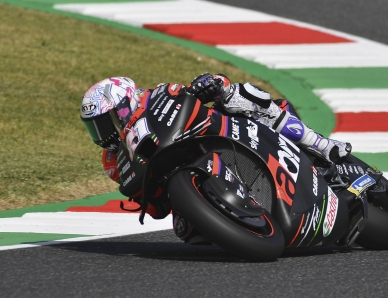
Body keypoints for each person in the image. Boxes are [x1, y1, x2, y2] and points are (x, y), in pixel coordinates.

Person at [80, 74, 351, 242]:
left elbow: (196, 88)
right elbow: (154, 207)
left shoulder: (158, 94)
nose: (104, 133)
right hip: (189, 175)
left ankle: (321, 144)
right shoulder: (113, 162)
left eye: (107, 122)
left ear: (125, 104)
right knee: (187, 232)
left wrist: (211, 84)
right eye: (96, 127)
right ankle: (248, 221)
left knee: (239, 96)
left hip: (227, 131)